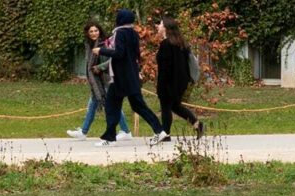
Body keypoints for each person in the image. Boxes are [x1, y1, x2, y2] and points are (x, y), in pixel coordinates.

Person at [100, 9, 162, 145]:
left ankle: (110, 138)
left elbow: (119, 53)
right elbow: (135, 54)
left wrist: (102, 50)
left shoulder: (119, 32)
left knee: (112, 106)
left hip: (120, 77)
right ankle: (159, 130)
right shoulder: (133, 33)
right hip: (131, 75)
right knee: (138, 106)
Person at [67, 21, 128, 140]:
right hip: (97, 82)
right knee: (93, 105)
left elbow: (112, 60)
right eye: (91, 31)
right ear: (87, 33)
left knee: (113, 106)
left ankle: (126, 131)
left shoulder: (103, 44)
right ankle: (83, 132)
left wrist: (100, 67)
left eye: (96, 30)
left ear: (100, 31)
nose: (94, 33)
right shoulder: (89, 45)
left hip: (106, 80)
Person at [155, 17, 205, 140]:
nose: (158, 27)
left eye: (161, 25)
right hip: (181, 82)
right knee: (175, 106)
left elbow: (165, 69)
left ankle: (165, 134)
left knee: (166, 107)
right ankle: (197, 125)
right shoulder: (181, 43)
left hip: (169, 83)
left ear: (166, 28)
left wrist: (161, 86)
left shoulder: (166, 44)